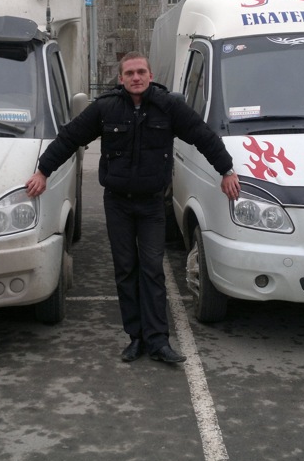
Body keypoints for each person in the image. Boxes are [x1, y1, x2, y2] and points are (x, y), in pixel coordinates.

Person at [25, 51, 241, 364]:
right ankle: (136, 338)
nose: (136, 77)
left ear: (150, 76)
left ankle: (158, 341)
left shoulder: (168, 107)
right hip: (117, 204)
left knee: (152, 269)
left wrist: (227, 170)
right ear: (121, 78)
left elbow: (202, 135)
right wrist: (43, 171)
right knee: (126, 270)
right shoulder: (105, 108)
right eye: (129, 73)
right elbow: (70, 137)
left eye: (141, 72)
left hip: (152, 204)